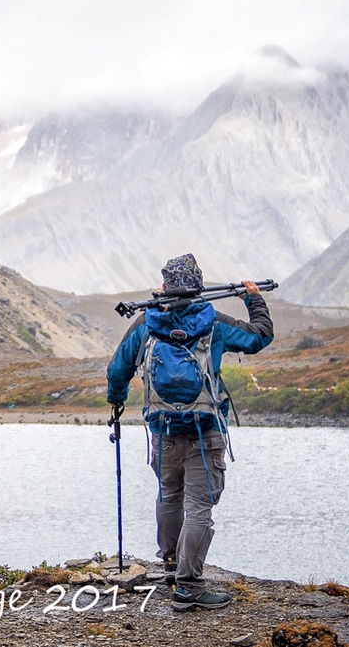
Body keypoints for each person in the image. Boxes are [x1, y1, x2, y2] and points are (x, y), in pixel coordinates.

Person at [106, 253, 271, 612]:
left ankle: (170, 567)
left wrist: (116, 402)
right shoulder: (214, 323)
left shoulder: (144, 324)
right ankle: (189, 585)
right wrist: (253, 298)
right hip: (205, 430)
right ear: (199, 287)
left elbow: (117, 371)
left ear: (164, 286)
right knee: (199, 506)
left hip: (162, 432)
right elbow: (260, 337)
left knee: (169, 495)